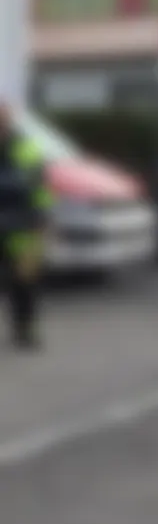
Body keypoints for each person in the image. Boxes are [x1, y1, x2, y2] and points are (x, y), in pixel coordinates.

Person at [0, 103, 48, 348]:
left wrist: (42, 220)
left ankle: (25, 331)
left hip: (23, 228)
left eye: (2, 119)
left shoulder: (27, 149)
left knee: (25, 284)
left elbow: (39, 189)